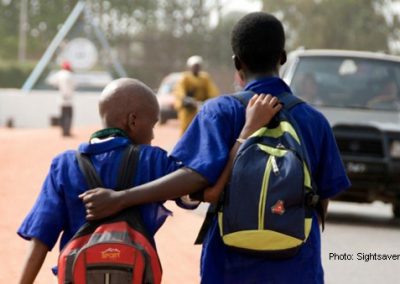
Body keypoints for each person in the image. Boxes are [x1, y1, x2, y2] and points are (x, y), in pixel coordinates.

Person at [80, 12, 351, 284]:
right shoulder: (314, 121)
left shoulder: (220, 111)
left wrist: (121, 197)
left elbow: (192, 180)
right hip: (297, 268)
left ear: (237, 62)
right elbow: (323, 197)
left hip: (228, 266)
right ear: (282, 57)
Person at [17, 77, 275, 284]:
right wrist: (246, 133)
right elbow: (206, 190)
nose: (152, 135)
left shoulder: (64, 165)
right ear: (132, 121)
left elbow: (40, 241)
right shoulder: (153, 161)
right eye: (152, 125)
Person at [174, 55, 219, 135]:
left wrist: (212, 101)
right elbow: (179, 91)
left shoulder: (205, 78)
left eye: (198, 66)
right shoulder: (185, 78)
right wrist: (185, 99)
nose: (196, 68)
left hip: (201, 107)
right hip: (188, 110)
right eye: (194, 66)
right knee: (186, 131)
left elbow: (212, 91)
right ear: (190, 67)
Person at [46, 60, 75, 137]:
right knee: (69, 115)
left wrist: (57, 87)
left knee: (62, 115)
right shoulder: (70, 75)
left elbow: (51, 81)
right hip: (69, 98)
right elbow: (75, 85)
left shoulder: (59, 74)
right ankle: (67, 131)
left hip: (61, 97)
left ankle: (63, 131)